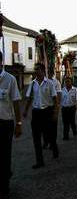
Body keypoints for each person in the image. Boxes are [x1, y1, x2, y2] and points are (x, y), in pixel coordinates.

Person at [23, 63, 58, 169]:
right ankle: (39, 161)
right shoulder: (32, 84)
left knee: (50, 134)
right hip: (36, 113)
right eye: (35, 69)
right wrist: (25, 110)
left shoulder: (50, 83)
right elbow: (29, 98)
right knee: (36, 137)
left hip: (48, 112)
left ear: (42, 70)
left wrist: (56, 113)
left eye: (37, 69)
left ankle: (55, 148)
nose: (35, 71)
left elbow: (55, 99)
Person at [0, 51, 22, 199]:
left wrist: (18, 123)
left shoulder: (10, 79)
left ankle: (4, 187)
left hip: (5, 123)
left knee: (4, 155)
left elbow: (16, 102)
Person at [42, 69, 62, 149]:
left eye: (48, 73)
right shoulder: (43, 81)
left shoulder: (56, 82)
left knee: (53, 126)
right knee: (44, 126)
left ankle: (52, 142)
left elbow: (59, 94)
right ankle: (45, 142)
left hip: (52, 107)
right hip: (44, 107)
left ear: (50, 73)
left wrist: (57, 108)